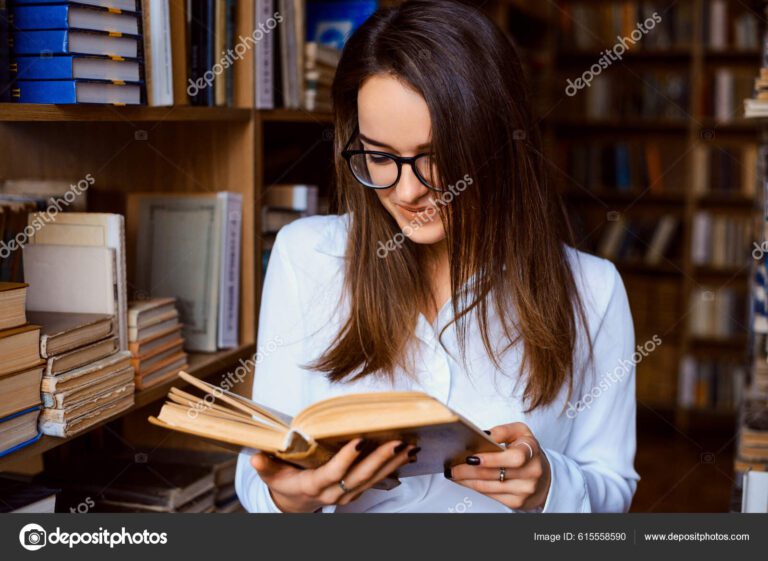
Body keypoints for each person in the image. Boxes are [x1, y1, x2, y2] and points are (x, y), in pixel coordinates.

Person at [235, 0, 639, 513]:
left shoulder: (593, 290)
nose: (406, 192)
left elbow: (613, 490)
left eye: (437, 158)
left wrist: (548, 487)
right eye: (380, 157)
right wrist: (285, 498)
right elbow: (257, 476)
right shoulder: (305, 256)